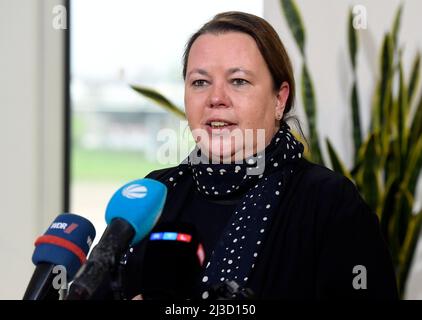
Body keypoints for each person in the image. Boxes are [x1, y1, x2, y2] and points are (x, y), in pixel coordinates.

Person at [108, 11, 398, 300]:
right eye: (200, 82)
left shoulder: (329, 203)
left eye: (239, 81)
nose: (216, 98)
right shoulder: (154, 195)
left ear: (279, 100)